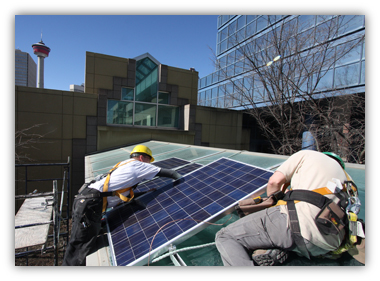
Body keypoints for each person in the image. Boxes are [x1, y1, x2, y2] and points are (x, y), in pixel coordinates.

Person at [215, 150, 364, 266]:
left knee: (225, 236)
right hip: (328, 246)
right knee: (285, 236)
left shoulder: (308, 155)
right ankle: (273, 250)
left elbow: (274, 181)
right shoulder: (349, 183)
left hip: (299, 225)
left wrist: (272, 204)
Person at [62, 145, 182, 266]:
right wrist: (182, 181)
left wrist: (145, 193)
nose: (149, 164)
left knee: (82, 241)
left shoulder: (124, 164)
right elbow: (169, 173)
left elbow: (120, 192)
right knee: (80, 246)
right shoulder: (139, 165)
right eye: (148, 161)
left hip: (87, 200)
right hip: (91, 204)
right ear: (141, 157)